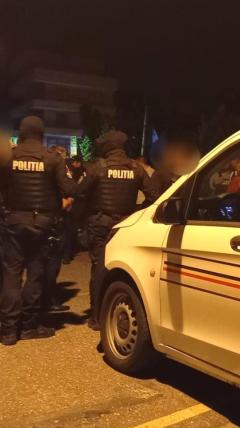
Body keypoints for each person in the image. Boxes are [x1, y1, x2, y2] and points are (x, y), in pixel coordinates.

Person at [0, 116, 78, 345]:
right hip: (42, 224)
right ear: (42, 134)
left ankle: (8, 331)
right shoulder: (52, 159)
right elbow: (69, 189)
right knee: (35, 274)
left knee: (11, 275)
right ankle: (28, 326)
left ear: (22, 133)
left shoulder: (8, 157)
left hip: (13, 221)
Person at [78, 130, 159, 330]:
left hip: (100, 224)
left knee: (99, 269)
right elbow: (154, 197)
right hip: (124, 226)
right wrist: (136, 213)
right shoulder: (136, 168)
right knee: (124, 268)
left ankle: (96, 318)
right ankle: (114, 311)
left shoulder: (98, 168)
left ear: (107, 147)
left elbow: (80, 193)